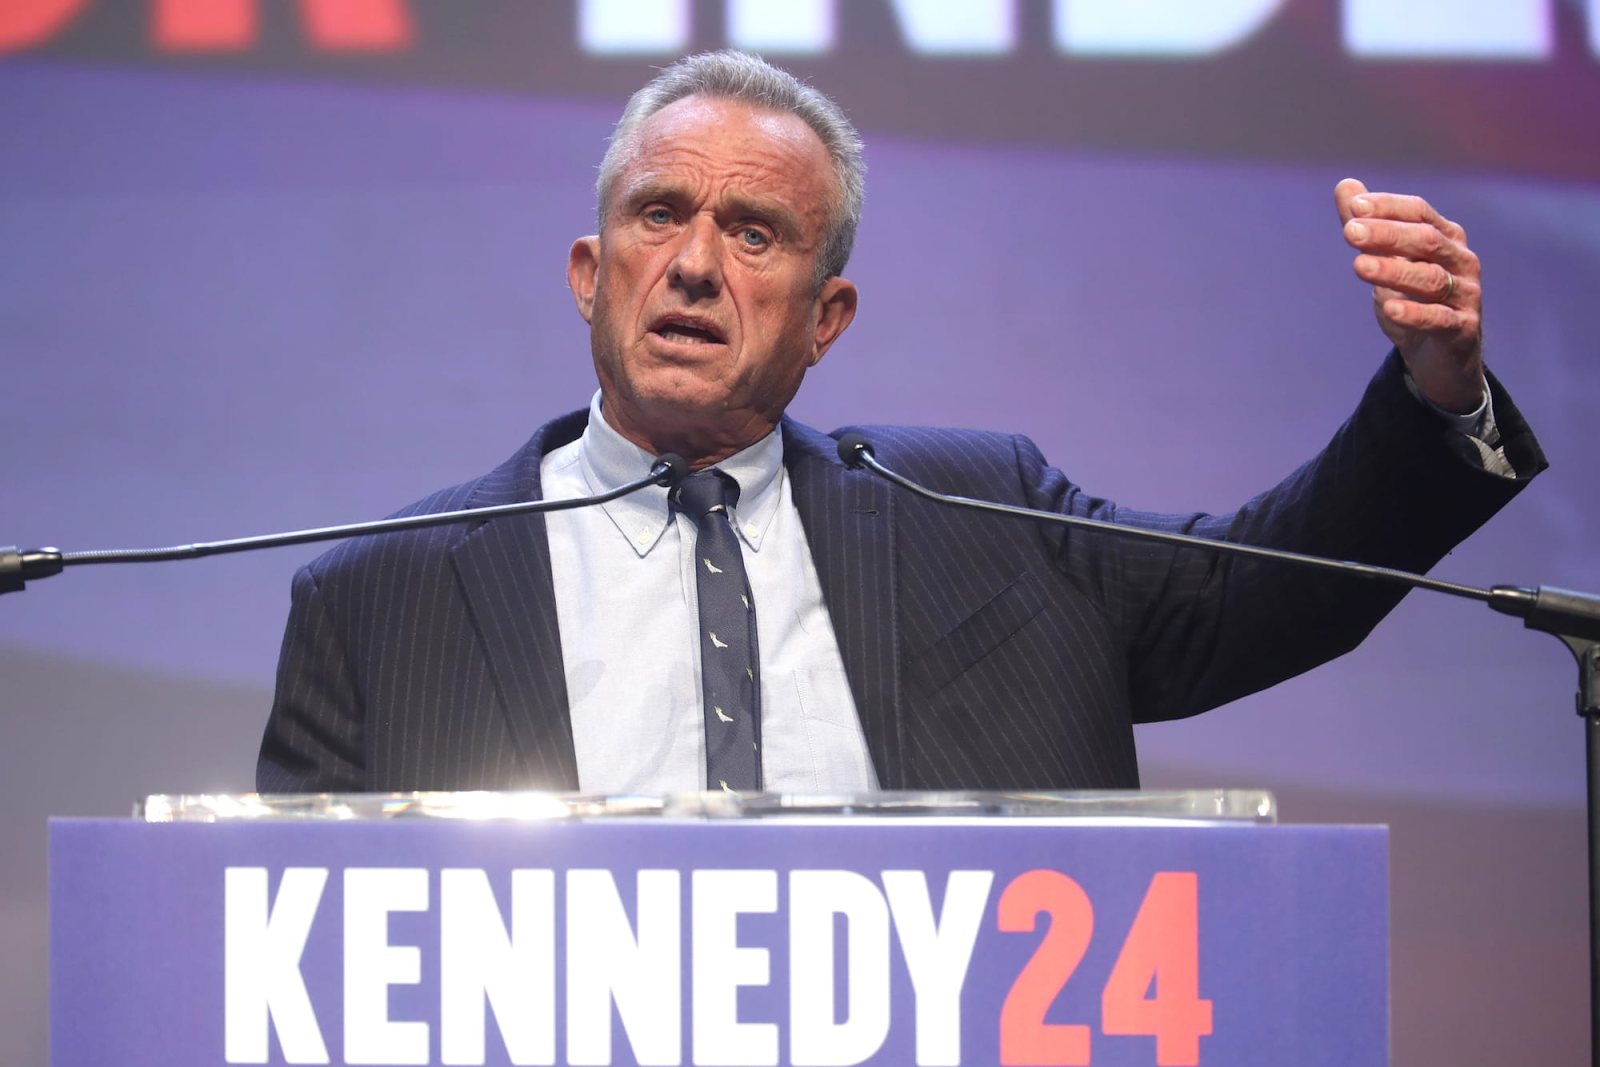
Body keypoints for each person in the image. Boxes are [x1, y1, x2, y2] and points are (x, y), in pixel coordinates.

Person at [257, 50, 1544, 795]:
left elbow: (1256, 595)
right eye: (660, 215)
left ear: (828, 318)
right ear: (592, 275)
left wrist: (1438, 388)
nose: (696, 264)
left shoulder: (984, 516)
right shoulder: (378, 600)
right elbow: (283, 946)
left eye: (754, 233)